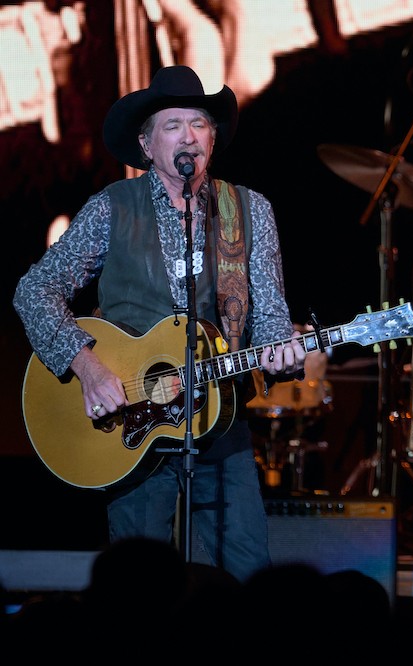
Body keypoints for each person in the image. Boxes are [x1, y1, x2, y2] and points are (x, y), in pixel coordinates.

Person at [13, 65, 306, 582]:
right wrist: (88, 368)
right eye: (173, 125)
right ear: (147, 145)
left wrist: (282, 353)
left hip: (219, 422)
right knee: (140, 589)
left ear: (212, 140)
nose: (188, 135)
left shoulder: (248, 211)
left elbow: (271, 318)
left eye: (199, 123)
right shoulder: (111, 208)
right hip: (130, 425)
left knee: (246, 578)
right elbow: (34, 291)